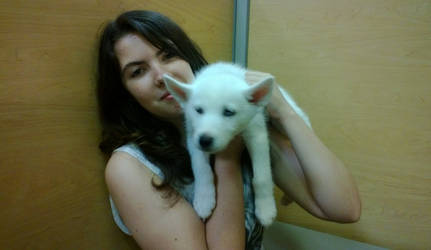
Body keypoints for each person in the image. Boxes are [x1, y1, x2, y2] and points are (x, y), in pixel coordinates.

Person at [96, 10, 361, 250]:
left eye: (168, 55)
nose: (162, 76)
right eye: (138, 71)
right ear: (125, 93)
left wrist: (286, 113)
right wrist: (227, 161)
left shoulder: (242, 121)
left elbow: (344, 208)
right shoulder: (130, 167)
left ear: (187, 57)